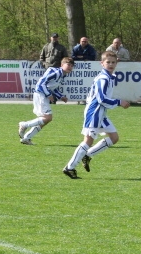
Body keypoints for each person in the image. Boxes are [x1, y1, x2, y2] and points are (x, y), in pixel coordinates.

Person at [62, 50, 130, 178]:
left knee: (114, 138)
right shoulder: (103, 79)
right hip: (94, 112)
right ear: (102, 63)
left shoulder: (109, 77)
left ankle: (88, 155)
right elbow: (101, 99)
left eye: (113, 62)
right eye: (108, 62)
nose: (110, 64)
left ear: (116, 63)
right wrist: (119, 102)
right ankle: (69, 167)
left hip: (101, 112)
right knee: (88, 141)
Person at [18, 56, 74, 145]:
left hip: (42, 95)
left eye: (72, 66)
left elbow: (52, 87)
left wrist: (61, 97)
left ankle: (27, 138)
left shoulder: (62, 75)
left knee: (45, 120)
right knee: (48, 118)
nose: (70, 67)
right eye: (68, 65)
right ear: (62, 64)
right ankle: (24, 125)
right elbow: (41, 83)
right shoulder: (56, 73)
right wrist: (49, 95)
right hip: (40, 94)